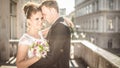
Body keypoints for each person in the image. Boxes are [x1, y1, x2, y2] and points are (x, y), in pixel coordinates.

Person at [29, 1, 71, 68]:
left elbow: (52, 57)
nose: (44, 18)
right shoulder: (58, 25)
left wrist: (30, 65)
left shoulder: (60, 27)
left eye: (45, 14)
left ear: (53, 11)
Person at [16, 2, 43, 68]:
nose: (41, 21)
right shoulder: (25, 40)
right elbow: (19, 65)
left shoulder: (40, 34)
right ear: (29, 21)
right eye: (37, 19)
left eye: (41, 18)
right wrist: (37, 57)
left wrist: (62, 19)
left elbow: (51, 28)